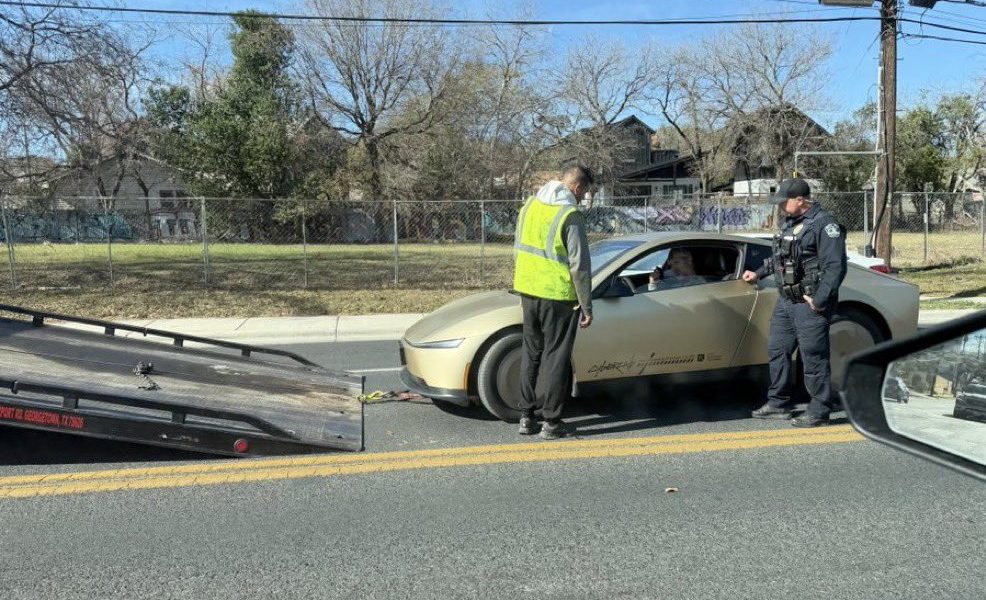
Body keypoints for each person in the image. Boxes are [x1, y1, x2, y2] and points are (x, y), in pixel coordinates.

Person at [742, 178, 848, 427]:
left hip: (809, 303)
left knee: (813, 356)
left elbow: (835, 268)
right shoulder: (791, 224)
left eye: (783, 201)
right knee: (777, 351)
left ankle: (819, 409)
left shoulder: (825, 225)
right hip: (787, 301)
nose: (779, 206)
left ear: (800, 200)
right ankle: (778, 402)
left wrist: (820, 301)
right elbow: (780, 258)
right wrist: (758, 272)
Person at [513, 165, 594, 440]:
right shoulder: (570, 215)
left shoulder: (529, 206)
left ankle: (526, 416)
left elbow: (517, 249)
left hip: (528, 291)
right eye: (585, 192)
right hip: (558, 296)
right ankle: (551, 422)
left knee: (531, 353)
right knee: (556, 357)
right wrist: (586, 305)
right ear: (577, 188)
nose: (584, 198)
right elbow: (579, 265)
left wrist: (526, 281)